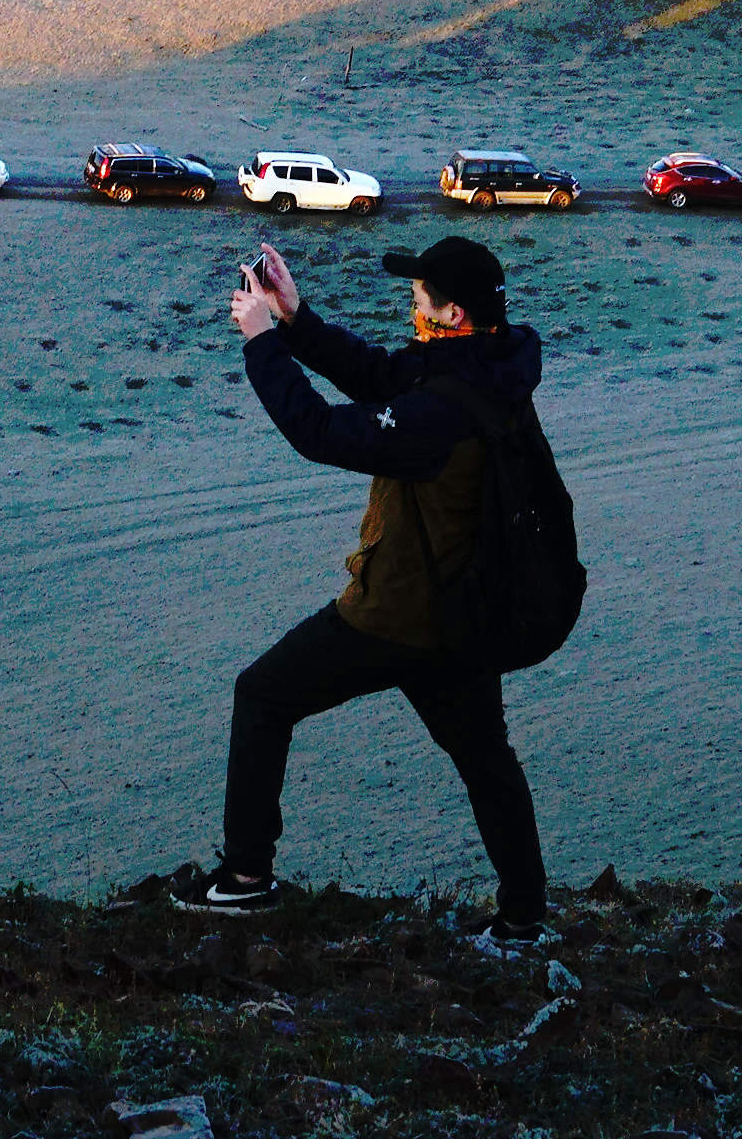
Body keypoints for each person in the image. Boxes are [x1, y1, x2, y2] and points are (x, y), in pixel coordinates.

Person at [200, 232, 568, 936]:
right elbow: (380, 377)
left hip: (396, 616)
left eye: (419, 299)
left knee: (263, 694)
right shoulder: (488, 370)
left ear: (451, 313)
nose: (410, 308)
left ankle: (246, 879)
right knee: (487, 761)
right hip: (465, 618)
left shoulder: (441, 410)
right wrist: (295, 319)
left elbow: (318, 431)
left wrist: (259, 343)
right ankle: (525, 917)